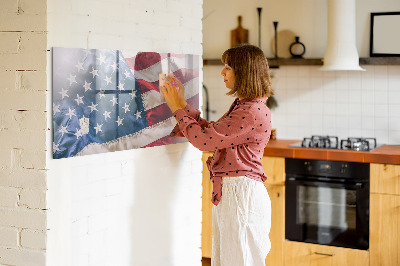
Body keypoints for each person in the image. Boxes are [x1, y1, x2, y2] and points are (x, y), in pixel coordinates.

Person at [161, 44, 273, 266]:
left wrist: (176, 108)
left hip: (241, 195)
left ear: (244, 72)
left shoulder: (250, 111)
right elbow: (212, 134)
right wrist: (183, 104)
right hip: (236, 193)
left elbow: (204, 141)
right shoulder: (246, 106)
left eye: (228, 67)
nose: (222, 72)